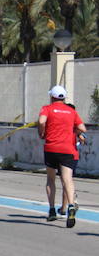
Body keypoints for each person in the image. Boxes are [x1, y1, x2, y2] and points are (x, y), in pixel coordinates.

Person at [39, 85, 86, 228]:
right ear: (64, 97)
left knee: (50, 179)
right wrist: (74, 130)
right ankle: (71, 206)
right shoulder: (71, 111)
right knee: (67, 180)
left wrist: (42, 132)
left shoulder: (47, 108)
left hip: (51, 147)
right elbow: (83, 128)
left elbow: (41, 121)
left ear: (52, 97)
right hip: (67, 149)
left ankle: (52, 210)